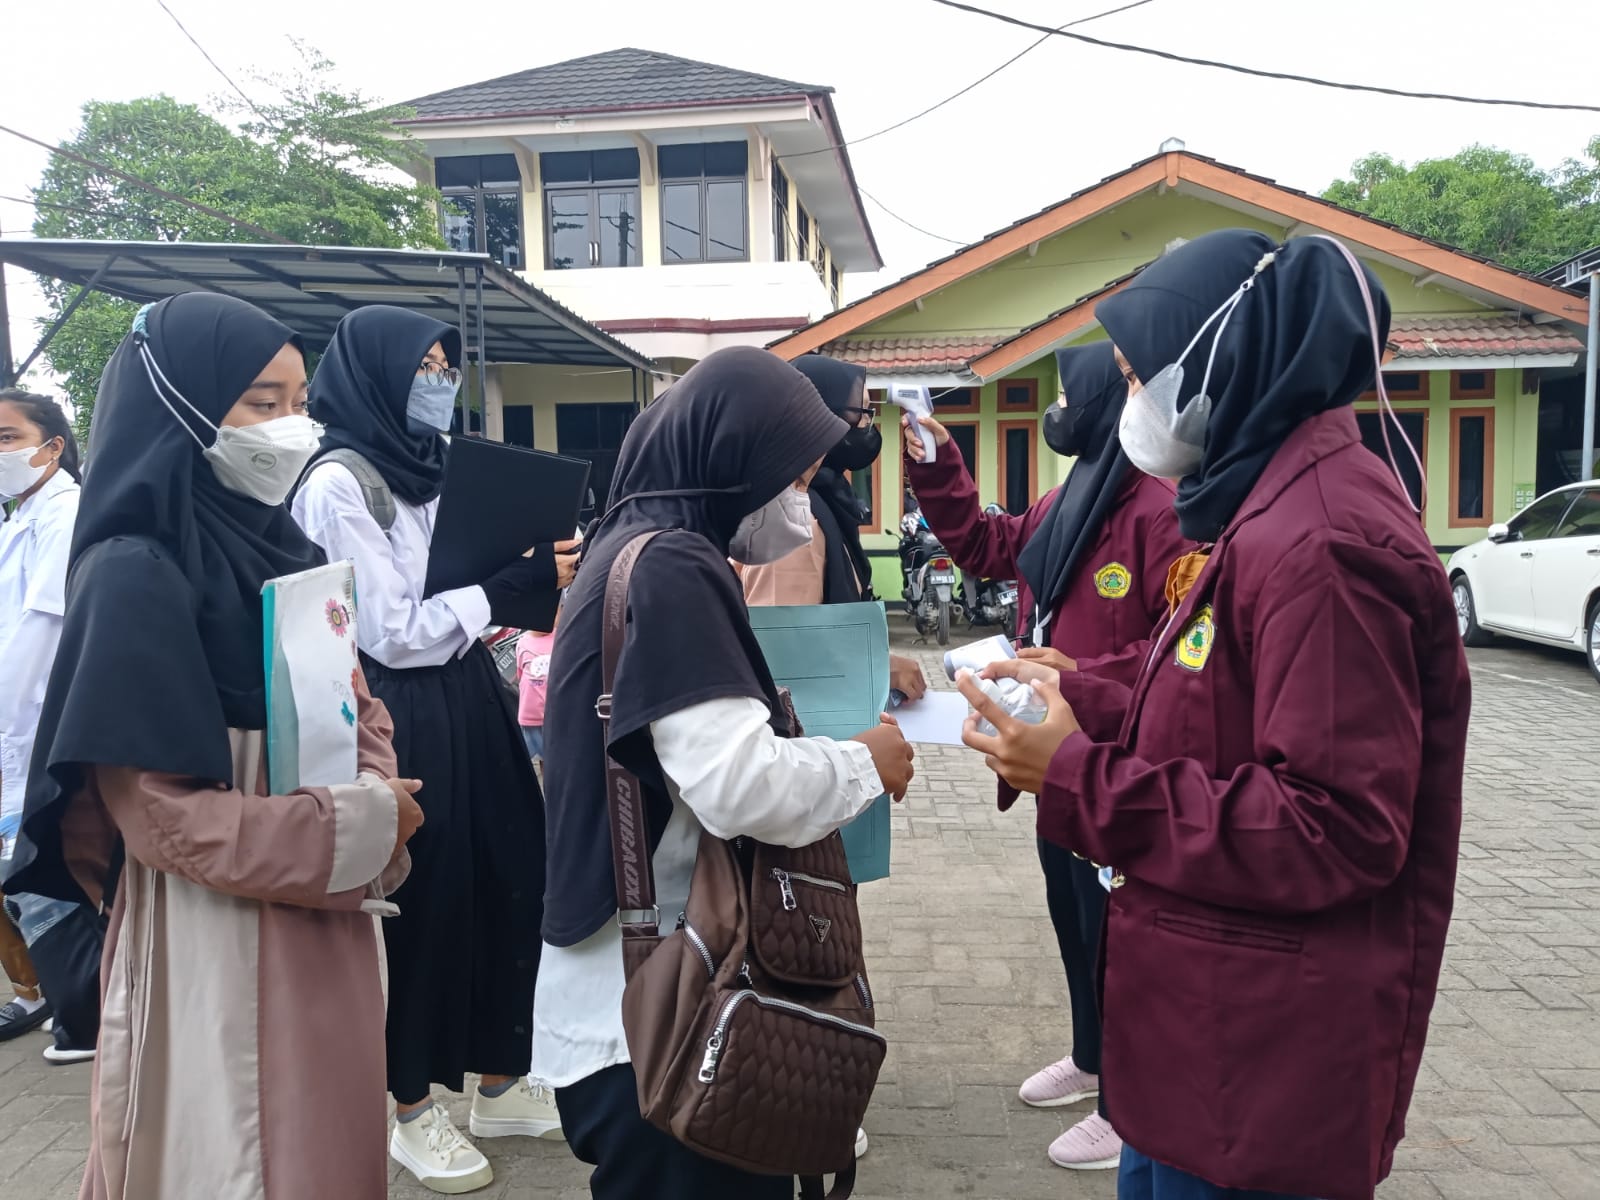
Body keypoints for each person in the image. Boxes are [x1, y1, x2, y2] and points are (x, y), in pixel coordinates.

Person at [960, 229, 1469, 1200]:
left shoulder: (1323, 539)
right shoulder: (1261, 501)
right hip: (1196, 1033)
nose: (1131, 407)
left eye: (1135, 378)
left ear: (1218, 361)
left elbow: (1336, 825)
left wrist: (1079, 777)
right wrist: (1086, 693)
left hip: (1261, 1063)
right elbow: (1220, 693)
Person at [4, 293, 417, 1200]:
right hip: (214, 932)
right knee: (241, 1148)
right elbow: (161, 820)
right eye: (261, 403)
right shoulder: (133, 574)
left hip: (330, 913)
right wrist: (360, 824)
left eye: (299, 401)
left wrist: (368, 796)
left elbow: (359, 704)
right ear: (179, 404)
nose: (291, 427)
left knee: (330, 1134)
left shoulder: (287, 548)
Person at [536, 346, 916, 1199]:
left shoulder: (629, 547)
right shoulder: (673, 565)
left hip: (630, 992)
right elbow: (738, 785)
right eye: (793, 477)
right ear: (733, 458)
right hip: (671, 1006)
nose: (799, 502)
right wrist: (864, 763)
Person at [292, 305, 568, 1195]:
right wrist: (503, 587)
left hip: (469, 691)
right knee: (427, 895)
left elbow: (456, 587)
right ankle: (410, 1108)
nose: (440, 382)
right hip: (395, 704)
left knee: (510, 873)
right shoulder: (338, 482)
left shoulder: (432, 465)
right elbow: (391, 630)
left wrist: (526, 570)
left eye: (448, 367)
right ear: (376, 373)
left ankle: (501, 1078)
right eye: (425, 366)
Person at [902, 344, 1192, 1170]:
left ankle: (1127, 1106)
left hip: (1115, 761)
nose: (1058, 411)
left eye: (1070, 396)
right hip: (1052, 760)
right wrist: (937, 462)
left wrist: (1080, 671)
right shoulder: (1072, 499)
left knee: (1115, 935)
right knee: (1072, 920)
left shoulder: (1161, 510)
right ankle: (1092, 1056)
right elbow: (986, 545)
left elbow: (1176, 649)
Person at [0, 390, 103, 1065]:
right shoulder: (24, 516)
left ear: (53, 446)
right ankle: (63, 1001)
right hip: (20, 727)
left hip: (36, 723)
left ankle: (84, 1016)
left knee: (43, 871)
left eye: (7, 437)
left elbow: (40, 633)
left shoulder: (63, 514)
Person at [740, 354, 926, 704]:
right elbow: (779, 658)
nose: (868, 426)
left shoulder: (826, 503)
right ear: (818, 417)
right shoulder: (792, 521)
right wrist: (878, 668)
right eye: (861, 413)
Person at [515, 616, 557, 766]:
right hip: (531, 716)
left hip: (558, 714)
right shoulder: (522, 643)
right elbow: (520, 674)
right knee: (542, 758)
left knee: (560, 757)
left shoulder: (562, 637)